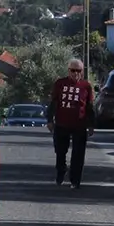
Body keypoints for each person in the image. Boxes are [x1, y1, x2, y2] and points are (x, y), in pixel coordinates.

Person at [46, 58, 96, 188]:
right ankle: (61, 171)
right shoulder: (60, 83)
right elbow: (53, 102)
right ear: (68, 71)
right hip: (62, 123)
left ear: (82, 72)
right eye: (72, 70)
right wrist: (50, 119)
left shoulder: (86, 86)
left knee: (78, 154)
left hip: (80, 124)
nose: (75, 73)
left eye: (78, 71)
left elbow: (90, 107)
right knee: (60, 151)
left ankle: (75, 180)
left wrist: (91, 124)